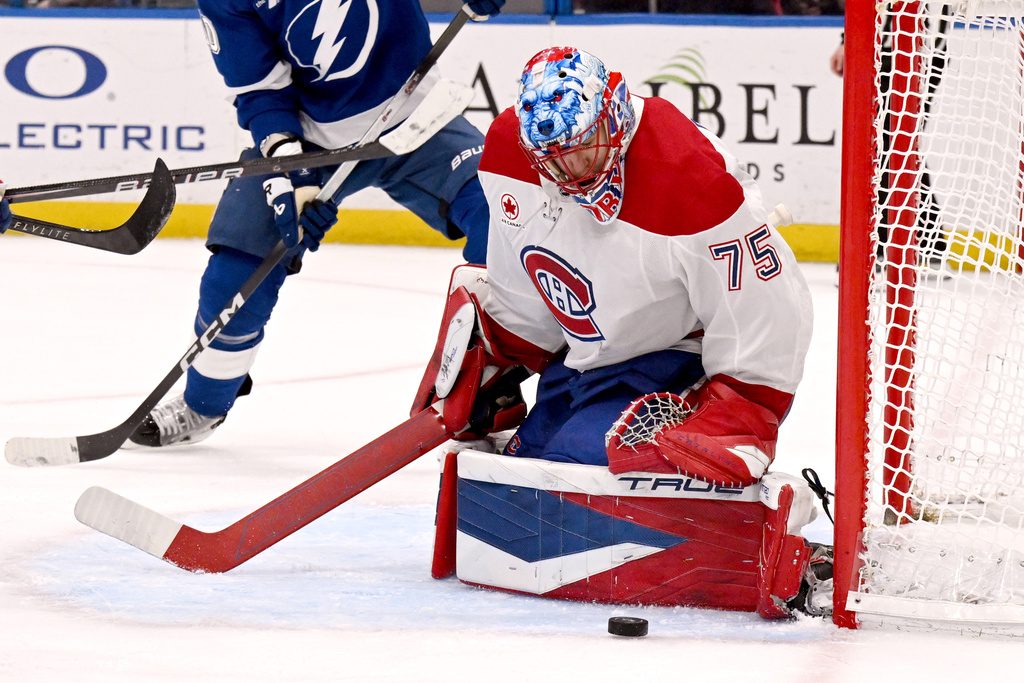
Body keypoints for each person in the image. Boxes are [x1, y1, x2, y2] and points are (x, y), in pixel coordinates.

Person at [413, 47, 831, 618]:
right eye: (554, 160)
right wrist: (501, 351)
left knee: (584, 467)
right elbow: (522, 262)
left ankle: (779, 511)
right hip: (587, 352)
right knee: (526, 464)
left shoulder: (686, 172)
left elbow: (768, 294)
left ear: (612, 115)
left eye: (583, 149)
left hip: (672, 350)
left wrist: (748, 401)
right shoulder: (513, 150)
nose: (571, 172)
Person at [124, 0, 505, 448]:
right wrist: (293, 170)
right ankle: (203, 403)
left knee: (501, 219)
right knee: (237, 270)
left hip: (421, 120)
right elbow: (260, 90)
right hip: (313, 145)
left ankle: (490, 390)